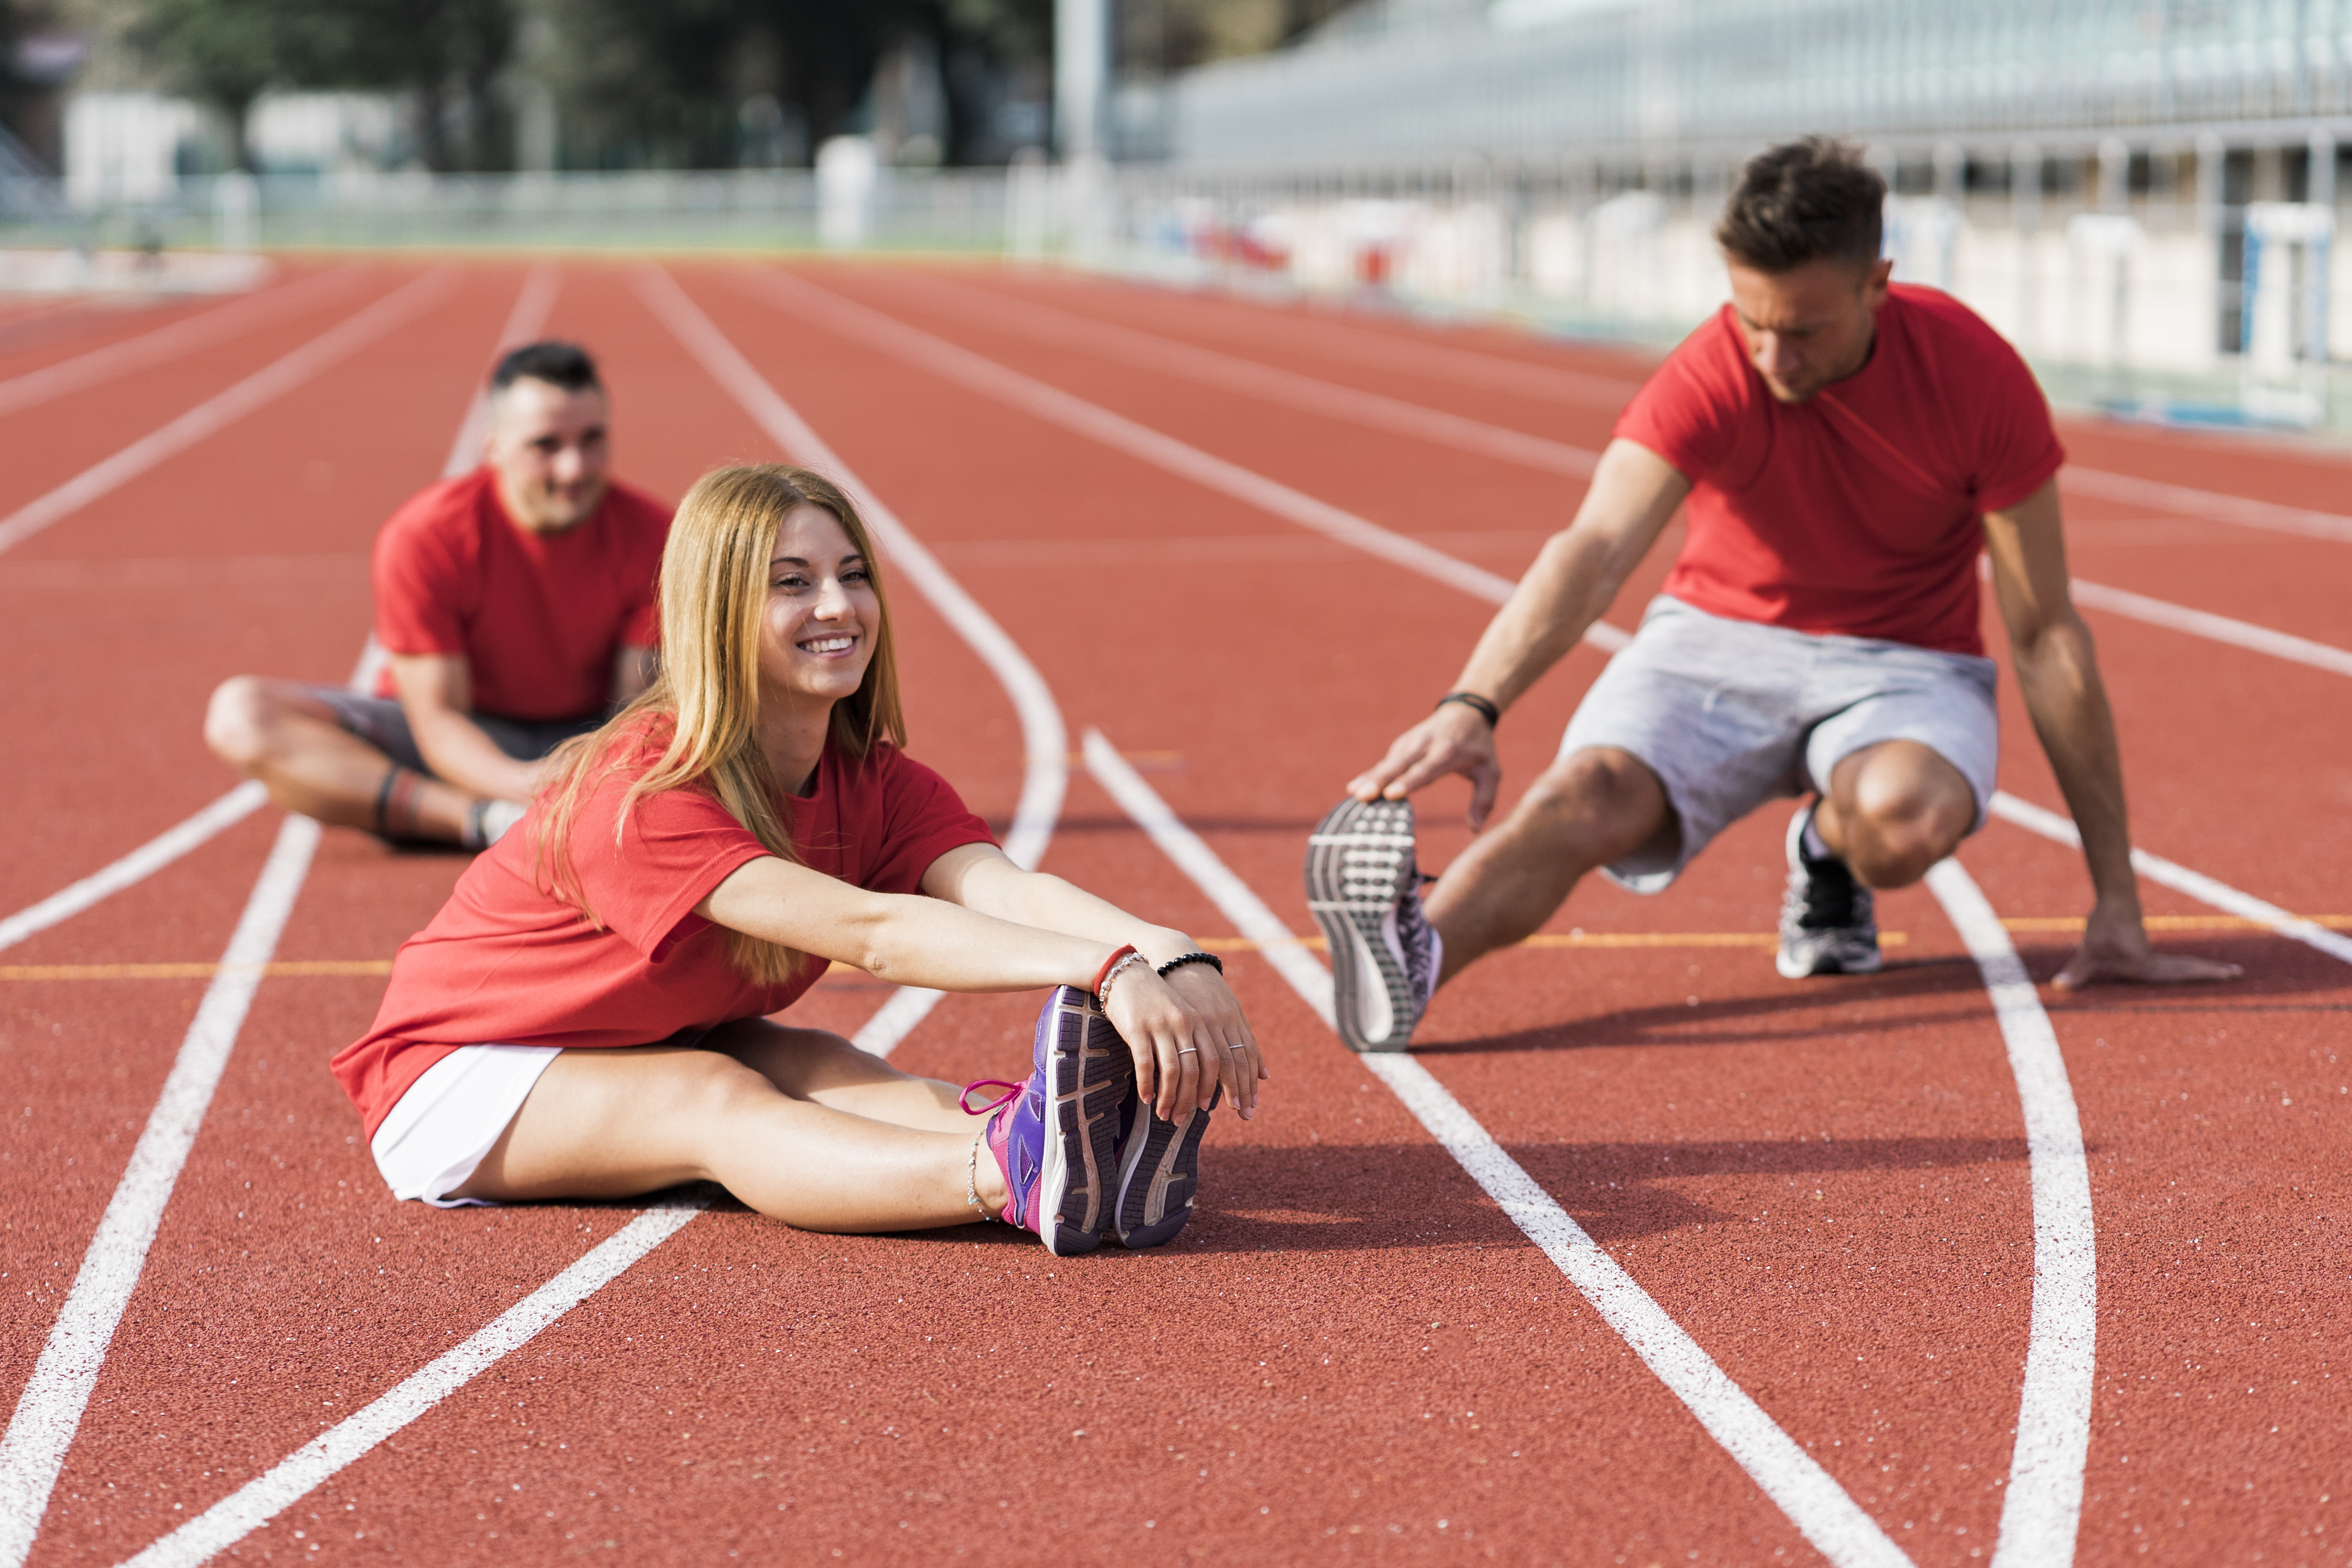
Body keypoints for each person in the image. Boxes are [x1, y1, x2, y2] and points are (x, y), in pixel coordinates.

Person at [1308, 135, 2239, 1055]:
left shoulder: (1975, 376)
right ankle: (1415, 956)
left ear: (1877, 281)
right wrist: (1474, 703)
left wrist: (2115, 901)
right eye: (1749, 320)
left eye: (1801, 329)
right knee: (1584, 790)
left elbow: (2043, 635)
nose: (1770, 355)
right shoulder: (1712, 368)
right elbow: (1592, 548)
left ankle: (1828, 851)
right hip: (1715, 636)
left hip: (1903, 660)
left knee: (1903, 821)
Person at [332, 464, 1264, 1257]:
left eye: (852, 574)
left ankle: (1070, 1140)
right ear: (717, 610)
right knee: (709, 1094)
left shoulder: (872, 778)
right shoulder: (642, 794)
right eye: (791, 583)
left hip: (631, 1032)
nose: (836, 606)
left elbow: (1005, 891)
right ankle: (1008, 1170)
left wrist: (1168, 951)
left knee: (811, 1060)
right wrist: (1105, 969)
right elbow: (874, 933)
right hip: (455, 1073)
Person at [205, 342, 671, 849]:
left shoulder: (655, 535)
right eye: (546, 446)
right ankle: (484, 823)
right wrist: (529, 787)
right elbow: (439, 720)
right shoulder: (428, 536)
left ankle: (559, 820)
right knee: (241, 716)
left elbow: (633, 710)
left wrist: (596, 770)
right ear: (493, 447)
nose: (574, 468)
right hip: (460, 738)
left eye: (592, 439)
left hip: (584, 737)